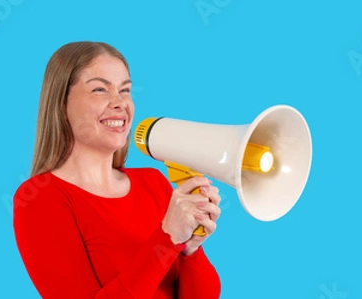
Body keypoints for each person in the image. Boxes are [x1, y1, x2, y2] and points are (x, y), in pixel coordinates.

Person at [13, 41, 222, 299]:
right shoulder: (40, 198)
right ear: (61, 102)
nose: (119, 103)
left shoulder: (153, 182)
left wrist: (191, 248)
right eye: (100, 89)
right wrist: (167, 237)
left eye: (125, 90)